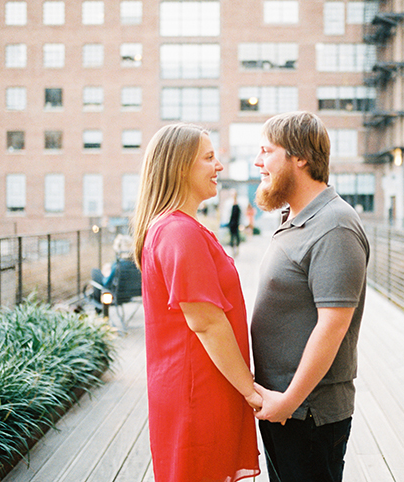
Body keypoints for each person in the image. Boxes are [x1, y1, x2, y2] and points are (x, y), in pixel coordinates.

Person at [132, 123, 261, 482]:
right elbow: (206, 322)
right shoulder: (179, 232)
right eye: (208, 157)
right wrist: (249, 389)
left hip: (194, 385)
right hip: (198, 391)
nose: (219, 166)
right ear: (179, 167)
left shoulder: (170, 228)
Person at [251, 111, 370, 482]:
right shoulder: (298, 218)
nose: (259, 162)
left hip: (308, 412)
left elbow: (333, 326)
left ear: (299, 157)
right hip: (285, 408)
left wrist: (288, 401)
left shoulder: (335, 225)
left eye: (267, 151)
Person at [228, 191, 242, 257]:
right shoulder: (229, 204)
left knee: (237, 237)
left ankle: (237, 250)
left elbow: (240, 215)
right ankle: (233, 251)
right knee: (232, 238)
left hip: (236, 224)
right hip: (231, 224)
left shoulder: (239, 204)